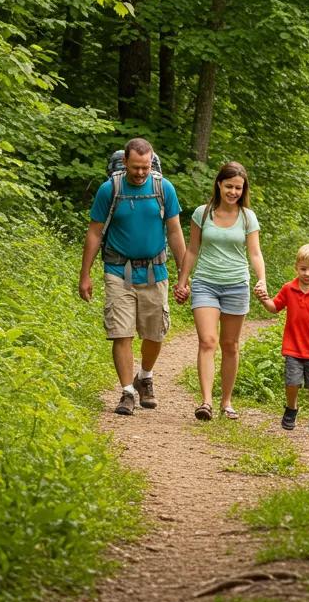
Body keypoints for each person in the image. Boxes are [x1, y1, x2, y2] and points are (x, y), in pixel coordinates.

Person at [80, 137, 186, 416]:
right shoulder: (109, 190)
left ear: (152, 163)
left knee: (155, 333)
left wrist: (183, 275)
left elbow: (175, 232)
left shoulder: (164, 189)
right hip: (117, 270)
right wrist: (85, 275)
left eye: (146, 167)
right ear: (125, 162)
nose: (141, 173)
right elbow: (94, 232)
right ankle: (127, 391)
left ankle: (145, 376)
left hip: (155, 270)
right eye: (136, 167)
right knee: (121, 332)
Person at [174, 162, 267, 422]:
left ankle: (226, 401)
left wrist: (262, 280)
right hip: (206, 283)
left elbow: (255, 253)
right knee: (207, 341)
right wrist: (183, 281)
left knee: (230, 345)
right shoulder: (202, 214)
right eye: (229, 186)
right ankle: (205, 402)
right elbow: (192, 250)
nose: (233, 192)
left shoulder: (248, 217)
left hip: (237, 285)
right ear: (219, 184)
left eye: (238, 188)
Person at [254, 243, 309, 437]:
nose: (307, 273)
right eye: (303, 269)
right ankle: (291, 408)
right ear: (296, 267)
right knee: (292, 382)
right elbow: (274, 307)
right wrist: (263, 299)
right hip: (293, 346)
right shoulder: (289, 289)